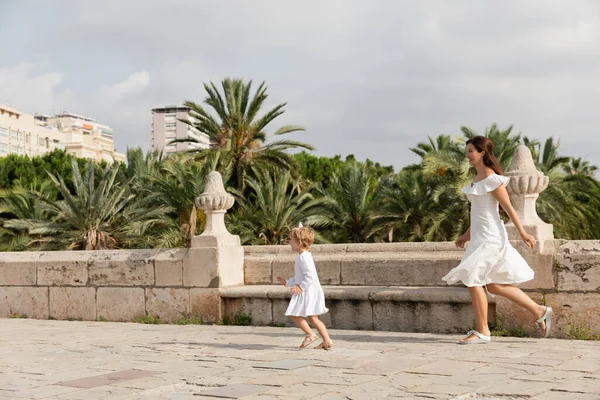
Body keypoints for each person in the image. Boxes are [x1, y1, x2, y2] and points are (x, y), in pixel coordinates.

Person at [442, 136, 552, 344]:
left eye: (470, 151)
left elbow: (509, 209)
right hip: (480, 236)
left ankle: (482, 331)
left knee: (473, 278)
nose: (467, 155)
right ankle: (539, 310)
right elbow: (479, 213)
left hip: (491, 237)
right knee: (493, 286)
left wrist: (523, 233)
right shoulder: (476, 180)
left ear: (482, 152)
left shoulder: (492, 179)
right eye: (466, 151)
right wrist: (466, 235)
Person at [276, 224, 333, 350]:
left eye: (291, 240)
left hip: (307, 291)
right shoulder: (303, 256)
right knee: (313, 318)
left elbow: (310, 276)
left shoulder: (303, 257)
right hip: (310, 290)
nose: (289, 242)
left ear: (300, 242)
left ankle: (310, 334)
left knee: (293, 313)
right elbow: (300, 276)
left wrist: (301, 287)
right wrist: (287, 282)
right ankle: (327, 340)